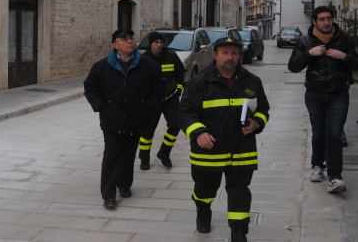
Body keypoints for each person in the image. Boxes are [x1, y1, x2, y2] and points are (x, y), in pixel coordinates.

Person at [180, 37, 270, 242]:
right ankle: (203, 210)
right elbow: (185, 113)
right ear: (216, 54)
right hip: (209, 153)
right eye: (226, 52)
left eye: (235, 53)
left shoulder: (252, 81)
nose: (231, 57)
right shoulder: (199, 82)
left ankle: (239, 234)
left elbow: (264, 110)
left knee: (239, 194)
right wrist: (198, 133)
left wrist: (257, 122)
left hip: (242, 151)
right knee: (204, 191)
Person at [84, 29, 162, 211]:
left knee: (128, 154)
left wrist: (148, 108)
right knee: (111, 155)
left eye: (131, 39)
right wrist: (101, 106)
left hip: (136, 119)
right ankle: (109, 194)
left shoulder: (147, 65)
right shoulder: (102, 66)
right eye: (124, 39)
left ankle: (124, 184)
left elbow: (158, 90)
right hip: (112, 119)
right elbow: (90, 87)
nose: (129, 42)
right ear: (114, 44)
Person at [288, 6, 358, 193]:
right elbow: (293, 67)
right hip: (314, 93)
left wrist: (344, 56)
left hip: (338, 93)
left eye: (329, 18)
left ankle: (335, 177)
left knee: (335, 133)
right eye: (321, 19)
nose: (326, 22)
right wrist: (308, 54)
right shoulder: (305, 41)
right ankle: (317, 166)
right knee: (319, 131)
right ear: (315, 22)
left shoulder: (344, 39)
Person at [138, 32, 186, 170]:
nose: (159, 45)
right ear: (150, 44)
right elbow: (139, 81)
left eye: (161, 42)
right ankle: (144, 157)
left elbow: (180, 73)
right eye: (156, 42)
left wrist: (179, 88)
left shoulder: (171, 56)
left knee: (175, 125)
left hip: (170, 98)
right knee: (147, 130)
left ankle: (164, 153)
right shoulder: (143, 59)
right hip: (151, 100)